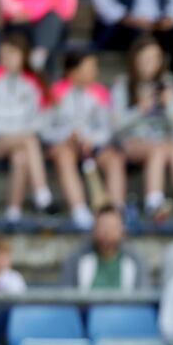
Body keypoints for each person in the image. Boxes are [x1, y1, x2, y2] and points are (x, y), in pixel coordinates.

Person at [0, 33, 57, 225]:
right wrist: (2, 131)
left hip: (23, 141)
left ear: (23, 55)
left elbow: (43, 118)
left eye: (12, 54)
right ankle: (42, 194)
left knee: (20, 157)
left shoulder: (33, 81)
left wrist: (21, 132)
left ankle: (13, 211)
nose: (7, 59)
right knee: (29, 140)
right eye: (3, 54)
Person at [111, 36, 173, 219]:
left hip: (162, 141)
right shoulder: (122, 84)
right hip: (131, 142)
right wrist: (140, 110)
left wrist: (169, 105)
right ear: (135, 60)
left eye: (155, 58)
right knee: (160, 148)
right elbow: (115, 126)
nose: (150, 64)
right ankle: (153, 202)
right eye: (146, 59)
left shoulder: (168, 82)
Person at [42, 49, 127, 228]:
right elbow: (44, 128)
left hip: (93, 146)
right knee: (63, 156)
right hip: (64, 146)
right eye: (89, 67)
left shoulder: (100, 92)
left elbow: (107, 129)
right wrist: (66, 136)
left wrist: (91, 139)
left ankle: (115, 210)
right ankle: (78, 209)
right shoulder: (55, 92)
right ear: (72, 71)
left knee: (114, 159)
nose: (94, 71)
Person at [90, 0, 173, 79]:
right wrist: (126, 18)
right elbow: (103, 2)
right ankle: (133, 84)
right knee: (137, 42)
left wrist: (170, 17)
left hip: (158, 25)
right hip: (124, 25)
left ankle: (172, 82)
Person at [60, 204, 150, 290]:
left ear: (122, 230)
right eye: (103, 226)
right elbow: (66, 295)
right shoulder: (75, 260)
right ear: (94, 229)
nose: (107, 231)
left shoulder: (136, 262)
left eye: (112, 227)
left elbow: (142, 295)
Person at [0, 0, 76, 74]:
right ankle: (38, 60)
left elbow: (67, 10)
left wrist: (33, 12)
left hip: (47, 22)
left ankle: (40, 55)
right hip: (19, 19)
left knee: (52, 22)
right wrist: (18, 11)